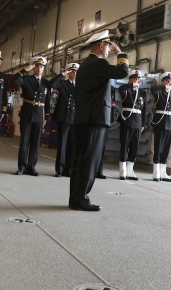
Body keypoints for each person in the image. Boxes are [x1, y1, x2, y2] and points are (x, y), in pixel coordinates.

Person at [70, 30, 128, 211]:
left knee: (81, 160)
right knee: (89, 161)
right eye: (109, 46)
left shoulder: (86, 64)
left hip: (85, 118)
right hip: (94, 119)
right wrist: (121, 54)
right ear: (101, 46)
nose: (110, 50)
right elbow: (122, 72)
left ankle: (76, 198)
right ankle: (81, 199)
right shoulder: (97, 63)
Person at [13, 56, 51, 176]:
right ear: (33, 67)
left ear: (43, 68)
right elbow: (15, 80)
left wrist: (47, 116)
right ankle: (22, 167)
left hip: (39, 114)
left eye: (41, 67)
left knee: (35, 143)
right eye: (37, 66)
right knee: (24, 142)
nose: (39, 69)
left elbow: (48, 100)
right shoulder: (26, 79)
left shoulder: (46, 83)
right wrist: (25, 69)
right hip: (27, 112)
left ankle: (31, 167)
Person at [49, 62, 79, 177]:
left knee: (72, 146)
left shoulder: (80, 85)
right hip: (64, 118)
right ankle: (60, 169)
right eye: (72, 71)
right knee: (62, 144)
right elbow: (51, 83)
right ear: (68, 72)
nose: (74, 73)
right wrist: (62, 73)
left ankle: (69, 169)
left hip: (75, 118)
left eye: (76, 71)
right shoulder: (62, 83)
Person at [118, 69, 146, 180]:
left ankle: (130, 170)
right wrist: (131, 85)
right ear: (130, 79)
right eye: (134, 78)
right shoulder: (126, 89)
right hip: (127, 119)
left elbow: (144, 110)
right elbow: (121, 89)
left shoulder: (142, 93)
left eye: (138, 78)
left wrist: (143, 124)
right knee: (124, 145)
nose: (137, 80)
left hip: (137, 121)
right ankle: (123, 171)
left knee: (134, 147)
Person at [151, 72, 171, 182]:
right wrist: (163, 87)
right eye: (167, 80)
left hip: (170, 123)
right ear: (162, 81)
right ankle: (156, 172)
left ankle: (163, 172)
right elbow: (152, 89)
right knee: (158, 147)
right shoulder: (159, 92)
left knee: (166, 149)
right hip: (160, 123)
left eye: (170, 81)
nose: (169, 82)